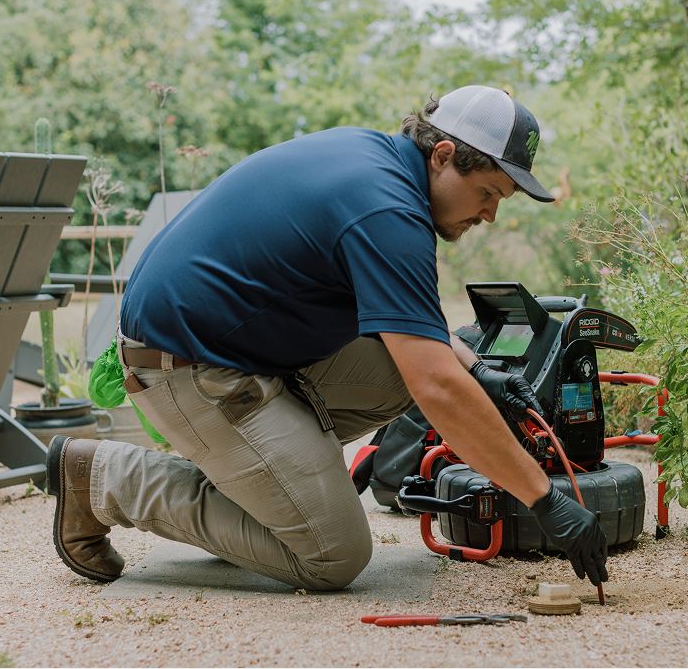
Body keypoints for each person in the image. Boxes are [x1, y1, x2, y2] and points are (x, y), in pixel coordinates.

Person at [45, 85, 609, 590]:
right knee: (332, 555)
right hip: (187, 369)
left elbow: (417, 332)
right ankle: (104, 479)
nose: (488, 214)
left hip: (235, 354)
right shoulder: (387, 210)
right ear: (443, 156)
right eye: (488, 191)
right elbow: (436, 385)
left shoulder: (376, 166)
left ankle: (266, 474)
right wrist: (543, 498)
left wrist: (479, 372)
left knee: (404, 377)